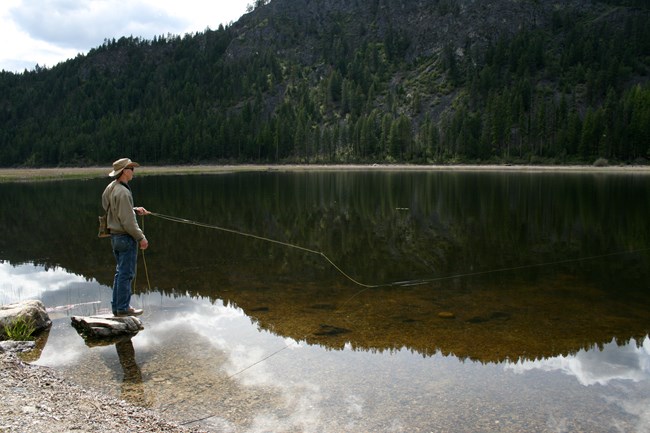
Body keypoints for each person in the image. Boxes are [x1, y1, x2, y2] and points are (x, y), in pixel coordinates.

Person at [102, 158, 150, 316]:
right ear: (124, 171)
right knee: (126, 274)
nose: (133, 171)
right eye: (131, 168)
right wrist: (141, 238)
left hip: (115, 238)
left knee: (120, 273)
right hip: (125, 238)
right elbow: (128, 223)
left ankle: (117, 307)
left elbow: (108, 206)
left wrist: (132, 208)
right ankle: (123, 308)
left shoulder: (111, 187)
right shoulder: (123, 192)